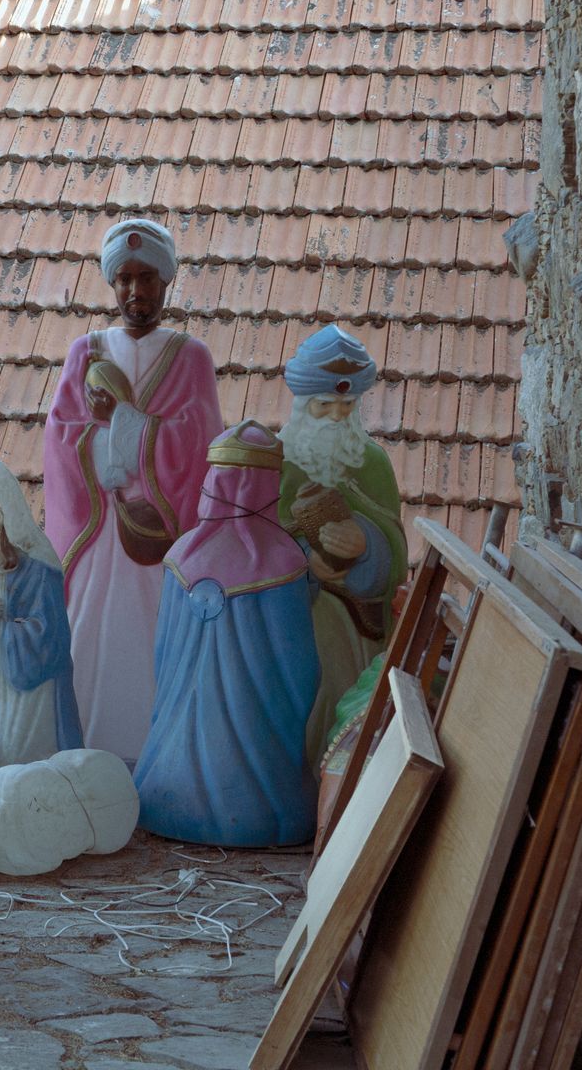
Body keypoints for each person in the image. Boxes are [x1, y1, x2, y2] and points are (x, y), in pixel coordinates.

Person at [43, 217, 224, 762]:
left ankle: (159, 758)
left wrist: (125, 424)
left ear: (166, 282)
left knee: (156, 640)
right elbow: (61, 438)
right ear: (112, 283)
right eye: (124, 278)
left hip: (158, 539)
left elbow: (199, 444)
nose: (135, 291)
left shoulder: (190, 357)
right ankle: (82, 755)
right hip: (98, 533)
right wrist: (109, 445)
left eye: (146, 278)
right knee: (88, 638)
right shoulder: (86, 352)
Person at [132, 421, 320, 848]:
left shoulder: (180, 555)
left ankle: (171, 798)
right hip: (259, 791)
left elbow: (162, 655)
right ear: (267, 486)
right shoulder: (284, 561)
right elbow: (299, 671)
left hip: (162, 776)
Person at [276, 325, 408, 763]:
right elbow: (257, 542)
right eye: (324, 405)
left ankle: (337, 778)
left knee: (346, 702)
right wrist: (305, 560)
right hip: (293, 619)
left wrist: (367, 544)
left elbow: (396, 551)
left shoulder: (373, 463)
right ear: (304, 404)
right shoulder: (277, 461)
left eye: (347, 405)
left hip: (358, 625)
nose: (336, 416)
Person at [0, 457, 84, 778]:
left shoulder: (38, 566)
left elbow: (51, 638)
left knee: (14, 758)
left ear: (6, 509)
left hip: (25, 688)